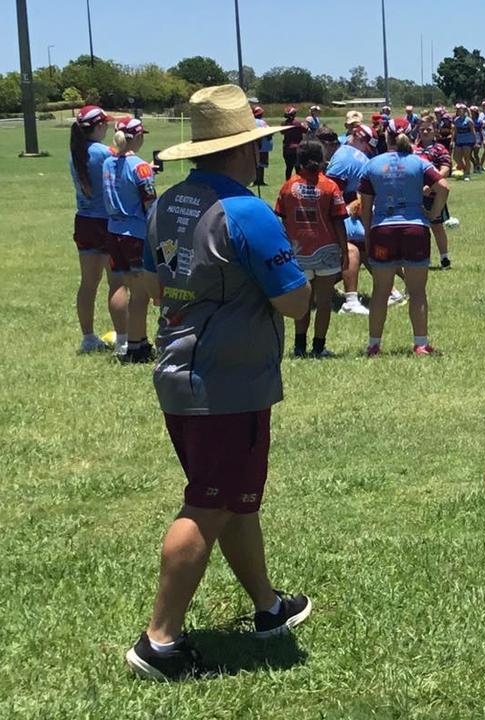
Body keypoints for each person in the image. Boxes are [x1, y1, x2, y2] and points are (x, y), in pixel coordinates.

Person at [125, 85, 313, 682]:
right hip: (226, 384)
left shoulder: (167, 203)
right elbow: (296, 304)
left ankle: (267, 606)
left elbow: (154, 284)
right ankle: (159, 641)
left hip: (179, 372)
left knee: (234, 496)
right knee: (207, 501)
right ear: (245, 149)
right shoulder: (249, 212)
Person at [358, 118, 450, 356]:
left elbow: (365, 208)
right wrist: (433, 214)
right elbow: (444, 186)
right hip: (415, 229)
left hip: (383, 230)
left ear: (385, 137)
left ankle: (374, 345)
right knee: (418, 291)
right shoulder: (419, 163)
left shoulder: (372, 165)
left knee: (380, 290)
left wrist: (368, 234)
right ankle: (420, 344)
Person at [276, 139, 349, 358]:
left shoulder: (288, 187)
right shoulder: (330, 186)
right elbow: (338, 221)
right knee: (324, 302)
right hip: (326, 250)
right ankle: (318, 347)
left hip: (298, 252)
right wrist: (344, 250)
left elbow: (281, 218)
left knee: (303, 302)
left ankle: (299, 346)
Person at [68, 104, 123, 354]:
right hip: (107, 222)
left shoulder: (75, 151)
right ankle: (123, 338)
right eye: (106, 125)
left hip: (84, 221)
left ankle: (88, 337)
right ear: (99, 126)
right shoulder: (104, 152)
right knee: (117, 283)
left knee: (88, 283)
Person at [102, 117, 157, 363]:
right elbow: (150, 202)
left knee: (120, 285)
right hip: (136, 233)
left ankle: (130, 338)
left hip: (113, 231)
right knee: (140, 293)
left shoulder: (107, 162)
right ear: (136, 137)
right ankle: (137, 347)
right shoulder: (140, 166)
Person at [324, 123, 376, 316]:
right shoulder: (351, 154)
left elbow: (329, 194)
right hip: (361, 212)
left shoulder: (344, 156)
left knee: (353, 250)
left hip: (354, 212)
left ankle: (347, 298)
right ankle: (393, 291)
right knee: (361, 249)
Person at [416, 126, 456, 268]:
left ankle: (444, 258)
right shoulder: (413, 148)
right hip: (415, 194)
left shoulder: (440, 149)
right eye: (422, 129)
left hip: (434, 194)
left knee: (436, 226)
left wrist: (431, 185)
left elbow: (445, 168)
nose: (425, 131)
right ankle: (421, 258)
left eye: (428, 129)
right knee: (418, 227)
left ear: (434, 131)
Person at [280, 107, 307, 179]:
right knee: (298, 167)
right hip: (297, 148)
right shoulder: (298, 123)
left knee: (288, 167)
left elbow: (282, 132)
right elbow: (305, 130)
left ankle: (287, 183)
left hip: (286, 148)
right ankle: (299, 182)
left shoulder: (283, 124)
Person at [453, 103, 476, 179]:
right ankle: (465, 168)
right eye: (458, 110)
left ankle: (467, 174)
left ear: (464, 110)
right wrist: (453, 140)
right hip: (459, 141)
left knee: (467, 157)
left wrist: (475, 141)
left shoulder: (469, 120)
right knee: (456, 157)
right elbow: (455, 131)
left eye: (460, 109)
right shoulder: (456, 120)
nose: (459, 111)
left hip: (467, 141)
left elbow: (473, 131)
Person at [253, 106, 272, 188]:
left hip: (253, 146)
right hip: (263, 146)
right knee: (262, 164)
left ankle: (255, 180)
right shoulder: (262, 122)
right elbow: (269, 132)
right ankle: (260, 180)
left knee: (255, 164)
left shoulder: (252, 122)